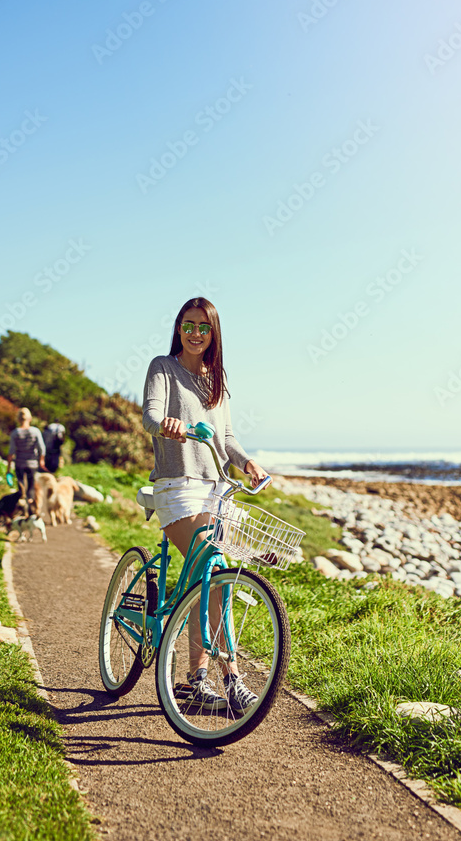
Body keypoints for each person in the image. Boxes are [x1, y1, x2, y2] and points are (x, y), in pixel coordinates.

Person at [142, 296, 269, 714]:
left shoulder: (217, 380)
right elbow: (150, 415)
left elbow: (225, 438)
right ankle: (223, 678)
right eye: (189, 324)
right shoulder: (164, 367)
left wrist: (247, 461)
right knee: (206, 576)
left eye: (204, 327)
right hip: (177, 486)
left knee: (216, 581)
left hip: (216, 487)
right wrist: (167, 425)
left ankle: (199, 680)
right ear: (179, 327)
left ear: (214, 334)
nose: (196, 333)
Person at [7, 408, 45, 513]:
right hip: (32, 464)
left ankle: (22, 510)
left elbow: (11, 452)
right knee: (31, 488)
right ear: (30, 418)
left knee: (21, 488)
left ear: (18, 419)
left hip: (19, 463)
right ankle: (32, 510)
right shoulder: (35, 431)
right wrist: (41, 461)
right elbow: (42, 448)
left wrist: (8, 468)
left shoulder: (15, 433)